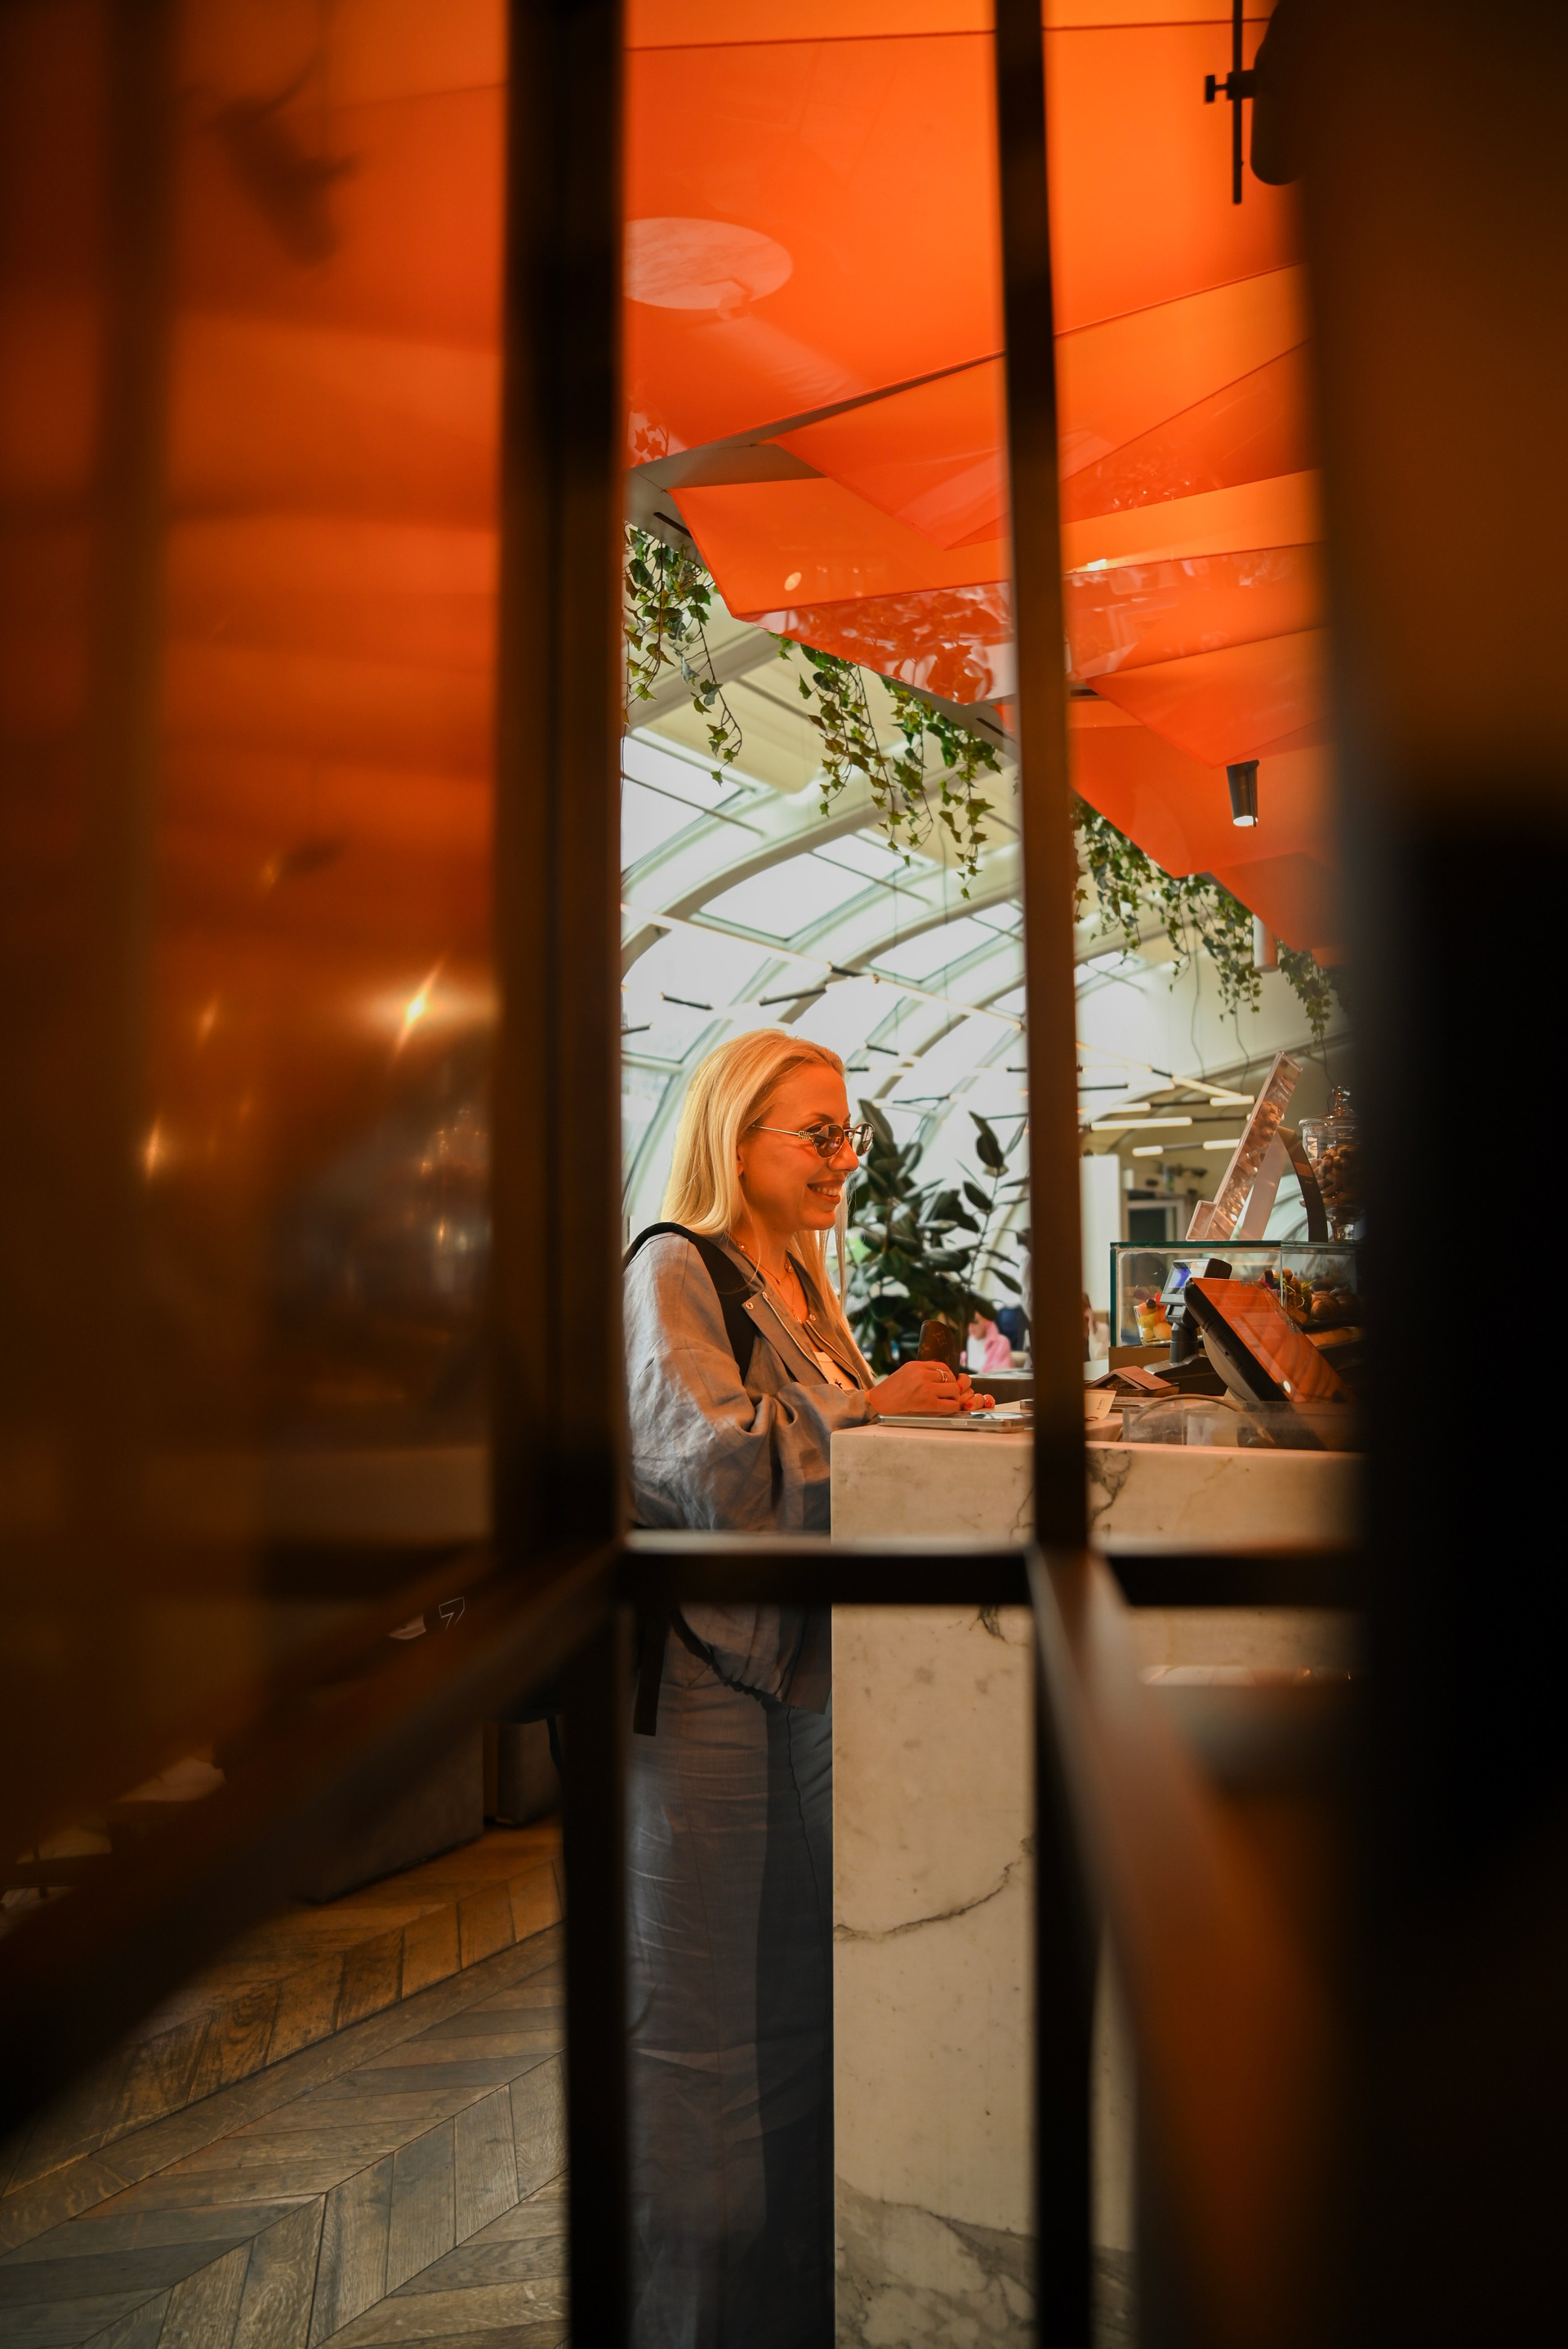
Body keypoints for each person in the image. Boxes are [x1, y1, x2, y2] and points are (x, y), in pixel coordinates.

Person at [622, 1030, 991, 2348]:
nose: (845, 1157)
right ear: (738, 1142)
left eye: (852, 1132)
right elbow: (712, 1473)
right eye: (819, 1133)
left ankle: (784, 2306)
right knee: (702, 2030)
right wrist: (877, 1414)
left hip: (798, 1687)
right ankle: (690, 2316)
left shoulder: (799, 1284)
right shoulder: (676, 1265)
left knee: (790, 2010)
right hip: (706, 1688)